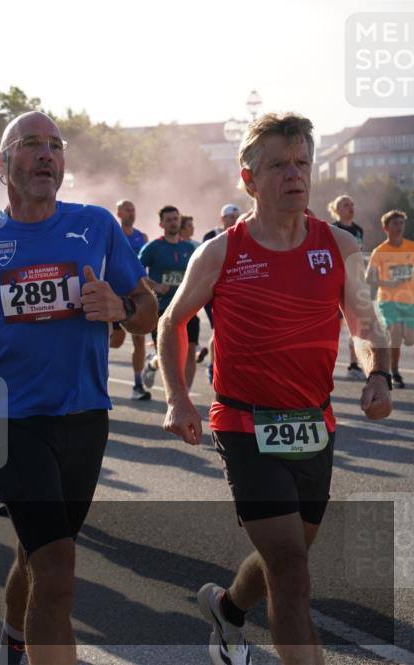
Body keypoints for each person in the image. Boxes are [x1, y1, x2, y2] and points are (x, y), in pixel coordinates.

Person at [0, 111, 157, 665]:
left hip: (87, 415)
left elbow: (148, 308)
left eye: (55, 146)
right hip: (11, 419)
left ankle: (12, 643)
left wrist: (124, 307)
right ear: (1, 163)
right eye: (30, 144)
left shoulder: (96, 225)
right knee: (59, 569)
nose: (46, 155)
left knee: (39, 552)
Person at [159, 112, 393, 665]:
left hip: (314, 424)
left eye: (302, 163)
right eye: (279, 166)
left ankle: (228, 607)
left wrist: (377, 372)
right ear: (249, 179)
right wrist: (177, 396)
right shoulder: (220, 252)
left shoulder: (337, 246)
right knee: (291, 568)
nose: (295, 176)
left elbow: (366, 325)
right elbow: (173, 322)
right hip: (244, 423)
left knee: (285, 557)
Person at [139, 205, 198, 391]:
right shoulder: (153, 248)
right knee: (166, 356)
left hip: (186, 307)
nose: (173, 222)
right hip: (162, 309)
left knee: (189, 351)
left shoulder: (189, 247)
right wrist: (155, 286)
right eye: (169, 220)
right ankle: (151, 364)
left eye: (175, 218)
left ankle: (184, 395)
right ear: (161, 224)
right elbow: (135, 272)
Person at [366, 209, 414, 389]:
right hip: (388, 300)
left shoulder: (411, 247)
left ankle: (392, 338)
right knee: (395, 334)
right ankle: (394, 371)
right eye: (395, 223)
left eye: (401, 223)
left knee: (409, 339)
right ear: (386, 228)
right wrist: (388, 283)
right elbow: (369, 278)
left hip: (410, 301)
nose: (399, 227)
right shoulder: (380, 251)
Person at [115, 199, 151, 400]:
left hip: (136, 295)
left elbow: (144, 267)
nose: (132, 213)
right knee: (116, 341)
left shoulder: (141, 237)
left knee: (139, 340)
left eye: (133, 209)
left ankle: (138, 385)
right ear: (119, 214)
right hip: (116, 294)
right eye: (127, 210)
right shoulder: (113, 234)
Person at [199, 204, 241, 373]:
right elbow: (204, 261)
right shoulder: (211, 236)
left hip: (233, 290)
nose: (233, 221)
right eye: (229, 217)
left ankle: (228, 365)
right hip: (213, 290)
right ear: (222, 219)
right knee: (218, 329)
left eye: (235, 217)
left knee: (232, 331)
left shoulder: (243, 234)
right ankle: (212, 365)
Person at [329, 194, 366, 380]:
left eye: (352, 204)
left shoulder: (358, 230)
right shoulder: (332, 229)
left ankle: (353, 364)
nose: (350, 207)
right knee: (333, 329)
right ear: (337, 209)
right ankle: (327, 364)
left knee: (356, 326)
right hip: (335, 284)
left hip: (353, 284)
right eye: (345, 204)